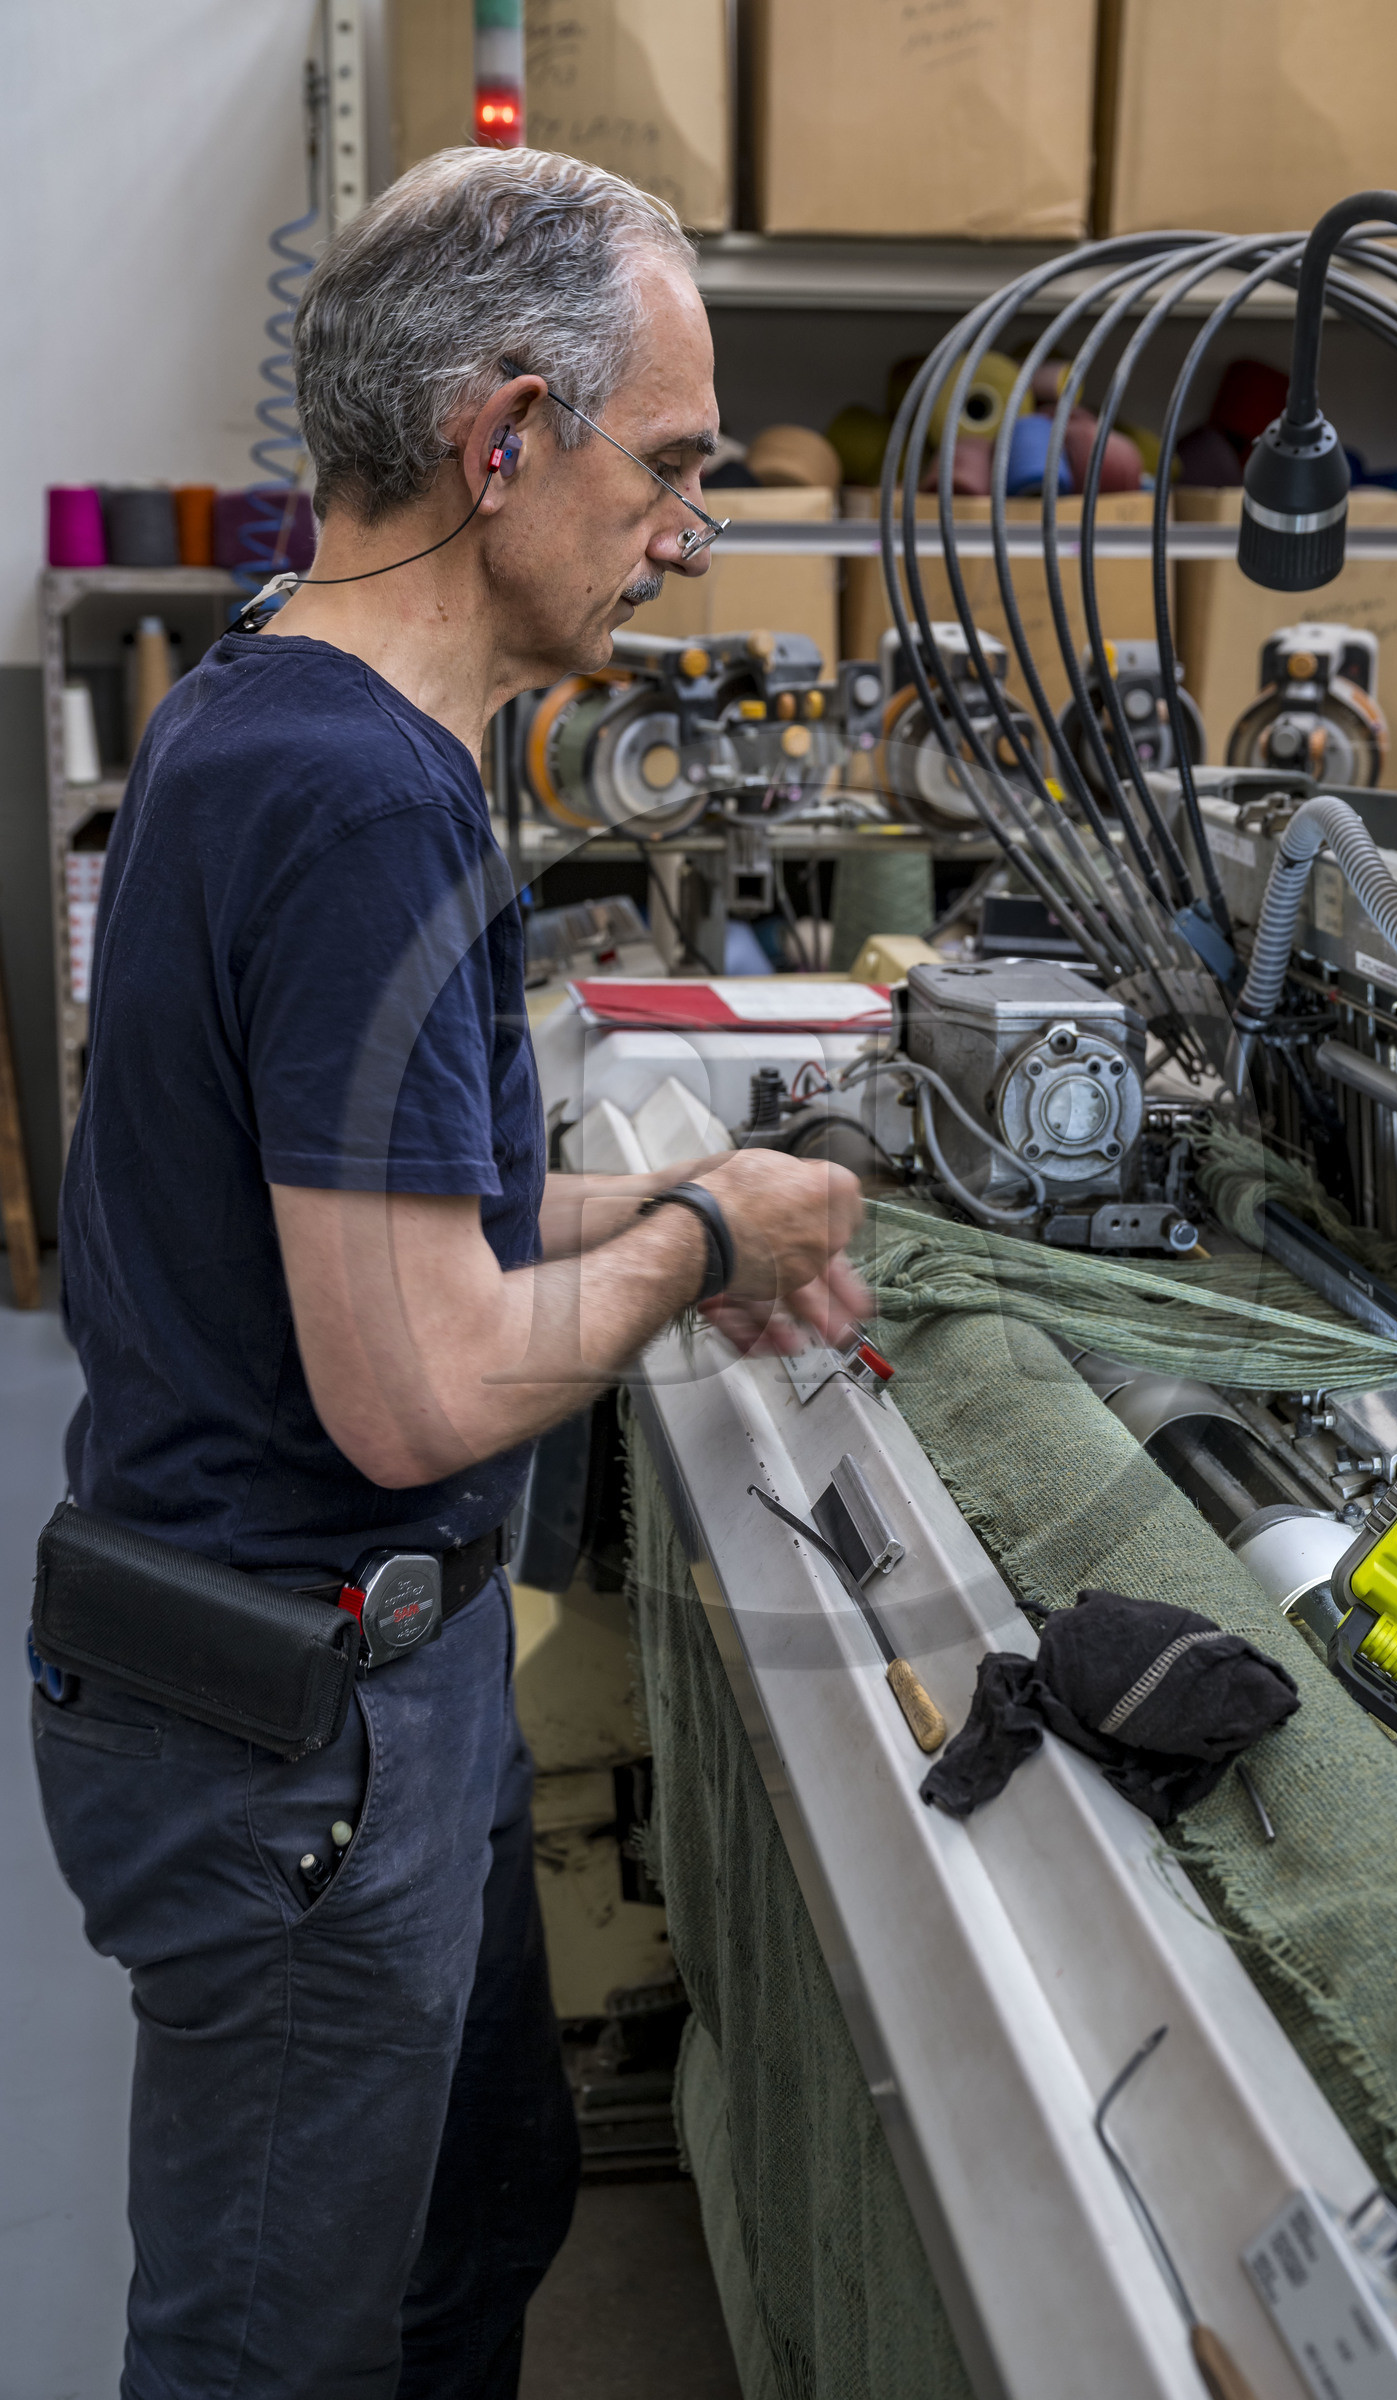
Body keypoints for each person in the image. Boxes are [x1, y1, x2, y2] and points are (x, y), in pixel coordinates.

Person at [34, 146, 867, 2400]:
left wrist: (726, 1215)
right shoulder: (365, 802)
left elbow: (395, 1222)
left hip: (325, 1697)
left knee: (470, 2218)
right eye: (666, 464)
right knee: (277, 2353)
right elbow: (418, 1380)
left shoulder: (259, 706)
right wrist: (698, 1231)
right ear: (502, 441)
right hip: (294, 1732)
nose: (688, 525)